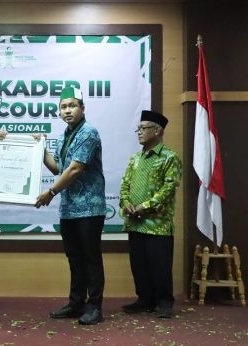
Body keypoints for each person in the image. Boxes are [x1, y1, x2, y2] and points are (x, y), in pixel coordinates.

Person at [34, 86, 106, 325]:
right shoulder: (65, 135)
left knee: (90, 258)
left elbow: (75, 169)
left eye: (72, 105)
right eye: (63, 107)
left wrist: (52, 191)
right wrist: (40, 150)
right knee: (75, 258)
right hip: (69, 209)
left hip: (89, 209)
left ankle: (94, 306)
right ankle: (76, 303)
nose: (67, 110)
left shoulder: (88, 132)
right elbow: (58, 168)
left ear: (82, 108)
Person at [119, 110, 182, 319]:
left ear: (158, 130)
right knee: (139, 265)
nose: (139, 132)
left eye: (143, 128)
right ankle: (144, 300)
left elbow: (168, 189)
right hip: (135, 222)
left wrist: (145, 206)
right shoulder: (135, 159)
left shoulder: (170, 157)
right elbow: (125, 186)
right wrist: (127, 203)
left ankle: (164, 302)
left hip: (158, 224)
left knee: (160, 266)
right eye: (138, 128)